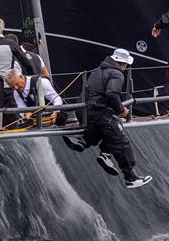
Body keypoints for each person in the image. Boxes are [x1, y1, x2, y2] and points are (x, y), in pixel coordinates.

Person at [62, 49, 152, 189]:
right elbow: (112, 94)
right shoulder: (117, 73)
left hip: (83, 111)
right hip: (97, 111)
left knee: (106, 128)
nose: (126, 67)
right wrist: (122, 110)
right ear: (122, 63)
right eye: (126, 64)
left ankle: (84, 142)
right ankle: (130, 177)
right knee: (120, 137)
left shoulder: (98, 69)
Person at [0, 17, 38, 132]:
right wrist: (32, 79)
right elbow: (27, 63)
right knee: (11, 118)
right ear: (2, 29)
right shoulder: (11, 44)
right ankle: (12, 130)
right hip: (6, 87)